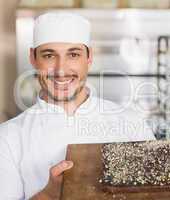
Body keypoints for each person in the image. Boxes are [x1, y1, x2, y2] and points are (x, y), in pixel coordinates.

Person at [0, 12, 155, 199]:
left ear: (89, 57)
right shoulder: (8, 138)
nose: (61, 70)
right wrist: (49, 195)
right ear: (33, 58)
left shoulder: (131, 123)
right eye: (49, 55)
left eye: (73, 54)